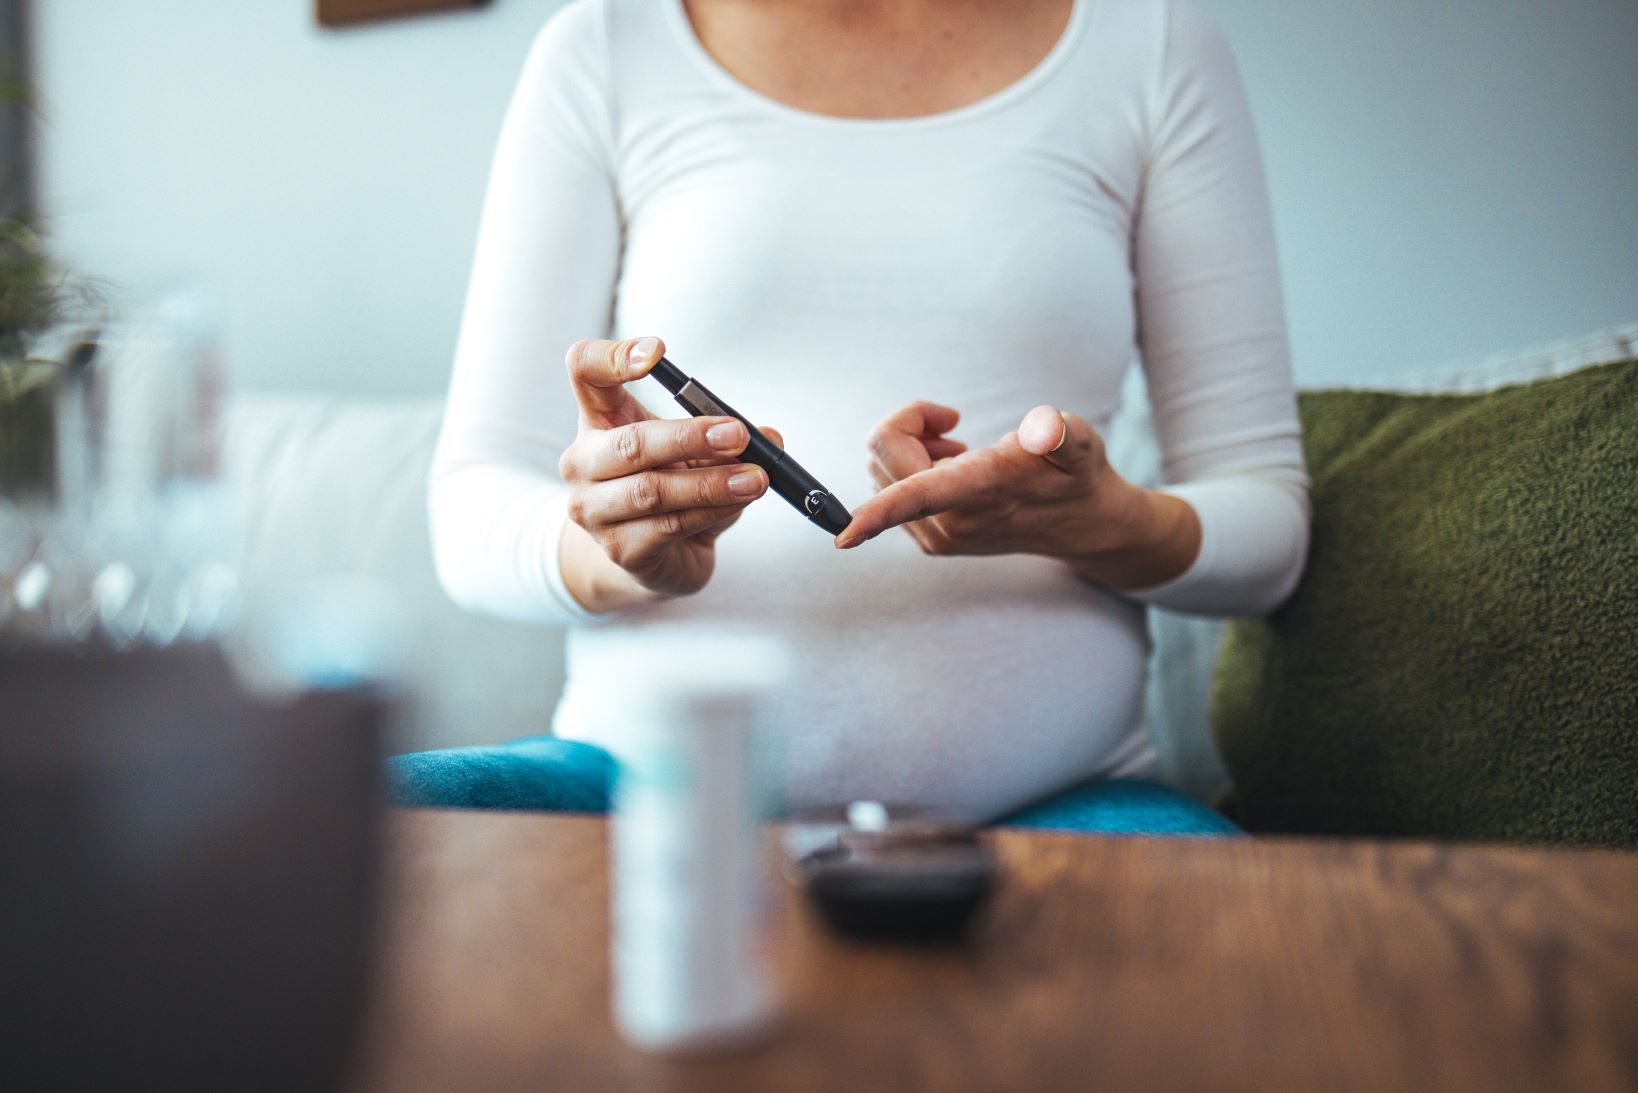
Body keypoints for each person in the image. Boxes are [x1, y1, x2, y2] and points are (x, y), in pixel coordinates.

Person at [410, 0, 1308, 832]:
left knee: (1259, 940)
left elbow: (1269, 528)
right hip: (639, 795)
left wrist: (1107, 524)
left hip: (1062, 806)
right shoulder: (605, 48)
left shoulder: (1152, 50)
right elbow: (472, 507)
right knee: (352, 828)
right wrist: (612, 552)